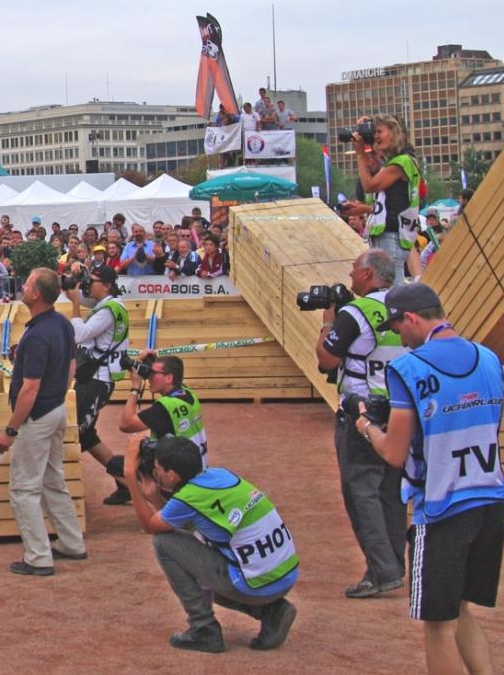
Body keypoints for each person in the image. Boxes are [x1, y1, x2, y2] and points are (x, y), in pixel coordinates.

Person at [354, 282, 504, 675]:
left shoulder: (408, 368)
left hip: (440, 509)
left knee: (438, 625)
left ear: (413, 319)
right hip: (487, 498)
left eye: (398, 326)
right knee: (460, 611)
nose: (397, 337)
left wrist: (364, 423)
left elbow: (394, 453)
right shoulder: (488, 359)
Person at [123, 434, 299, 653]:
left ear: (171, 475)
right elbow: (184, 522)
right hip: (284, 576)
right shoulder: (218, 475)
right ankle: (272, 611)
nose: (154, 471)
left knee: (164, 543)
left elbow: (151, 526)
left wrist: (130, 476)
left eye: (157, 468)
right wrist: (155, 497)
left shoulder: (189, 498)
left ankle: (204, 629)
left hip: (257, 585)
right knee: (196, 550)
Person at [315, 249, 408, 598]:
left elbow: (326, 359)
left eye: (354, 270)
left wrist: (328, 321)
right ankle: (393, 565)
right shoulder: (405, 305)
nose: (350, 276)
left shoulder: (356, 311)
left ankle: (382, 571)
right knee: (391, 492)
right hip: (400, 409)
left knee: (360, 492)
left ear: (368, 274)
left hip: (362, 411)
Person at [0, 268, 85, 576]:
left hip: (37, 416)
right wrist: (58, 392)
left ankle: (38, 557)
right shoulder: (61, 323)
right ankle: (72, 543)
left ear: (35, 294)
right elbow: (70, 363)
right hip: (57, 408)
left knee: (23, 489)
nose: (23, 286)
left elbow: (29, 389)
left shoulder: (37, 334)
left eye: (27, 283)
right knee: (52, 480)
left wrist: (11, 430)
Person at [105, 352, 209, 505]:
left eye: (153, 374)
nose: (149, 378)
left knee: (116, 464)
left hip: (177, 478)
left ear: (169, 378)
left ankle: (160, 502)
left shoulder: (164, 408)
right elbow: (170, 370)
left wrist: (135, 387)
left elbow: (125, 424)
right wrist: (152, 362)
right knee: (147, 443)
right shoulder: (187, 393)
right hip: (197, 469)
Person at [65, 263, 130, 503]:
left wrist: (73, 303)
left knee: (75, 434)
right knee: (88, 435)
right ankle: (125, 482)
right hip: (95, 377)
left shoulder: (108, 309)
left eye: (92, 281)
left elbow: (80, 334)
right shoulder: (111, 305)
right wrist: (73, 285)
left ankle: (139, 486)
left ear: (107, 285)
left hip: (97, 379)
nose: (88, 285)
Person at [352, 114, 421, 280]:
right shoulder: (392, 161)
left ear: (393, 132)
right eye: (374, 132)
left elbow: (369, 186)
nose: (376, 136)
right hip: (386, 233)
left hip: (392, 234)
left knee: (391, 287)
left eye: (379, 132)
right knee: (384, 287)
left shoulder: (401, 162)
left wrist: (360, 154)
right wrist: (364, 132)